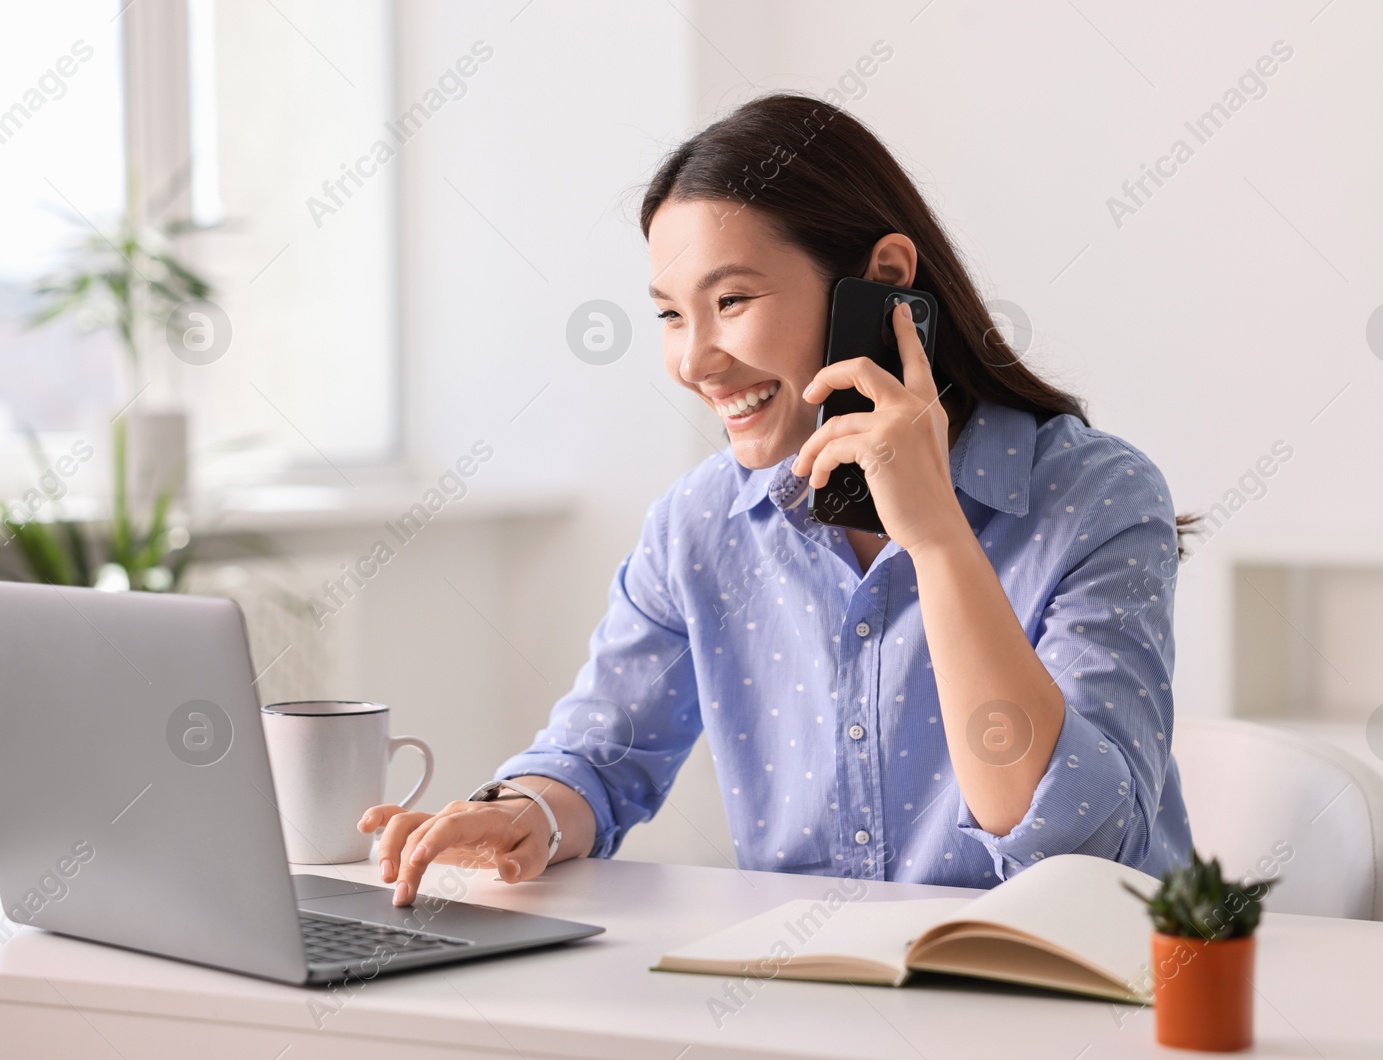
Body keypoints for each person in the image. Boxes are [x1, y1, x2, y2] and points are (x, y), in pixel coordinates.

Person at [362, 92, 1193, 907]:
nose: (694, 360)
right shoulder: (701, 523)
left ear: (885, 281)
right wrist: (521, 814)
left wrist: (937, 538)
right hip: (807, 1011)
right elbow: (601, 754)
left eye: (731, 302)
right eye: (668, 314)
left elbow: (1073, 844)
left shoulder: (1096, 498)